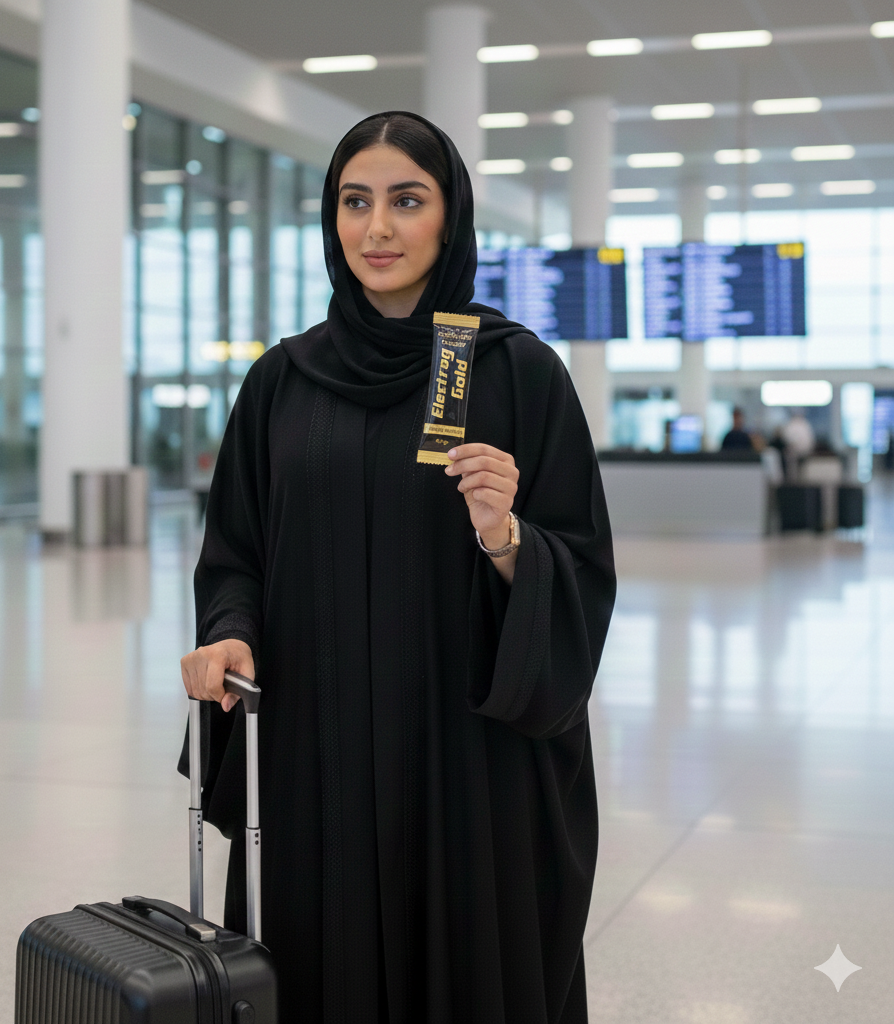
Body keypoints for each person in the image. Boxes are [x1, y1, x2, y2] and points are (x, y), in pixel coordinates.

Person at [178, 111, 616, 1024]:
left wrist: (507, 540)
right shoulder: (282, 382)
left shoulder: (517, 374)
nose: (377, 229)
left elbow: (578, 564)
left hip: (463, 766)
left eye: (406, 201)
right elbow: (236, 555)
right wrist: (229, 635)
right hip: (315, 755)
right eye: (355, 201)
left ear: (449, 218)